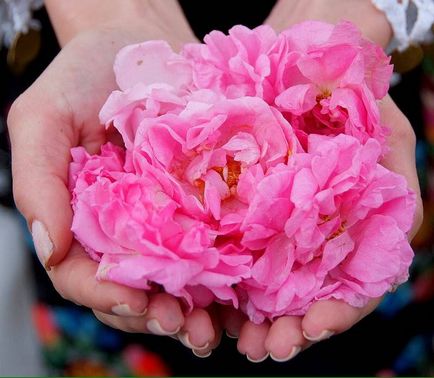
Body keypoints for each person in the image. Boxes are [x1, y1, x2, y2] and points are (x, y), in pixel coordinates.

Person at [6, 0, 426, 365]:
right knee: (108, 322)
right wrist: (103, 11)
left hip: (365, 62)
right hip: (65, 46)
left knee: (376, 341)